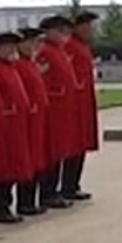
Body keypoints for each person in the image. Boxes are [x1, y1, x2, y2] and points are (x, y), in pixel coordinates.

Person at [0, 31, 36, 225]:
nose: (11, 50)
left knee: (13, 166)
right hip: (5, 124)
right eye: (7, 46)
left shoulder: (9, 67)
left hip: (16, 124)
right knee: (3, 168)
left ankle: (6, 205)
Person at [35, 15, 81, 210]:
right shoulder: (45, 52)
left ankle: (54, 191)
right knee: (51, 153)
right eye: (58, 30)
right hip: (53, 111)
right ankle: (48, 192)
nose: (62, 34)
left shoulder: (58, 51)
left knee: (59, 152)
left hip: (62, 111)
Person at [60, 10, 100, 201]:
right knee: (73, 145)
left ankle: (74, 184)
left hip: (84, 102)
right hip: (75, 104)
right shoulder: (71, 47)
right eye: (86, 26)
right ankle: (67, 185)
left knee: (81, 144)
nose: (90, 30)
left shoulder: (82, 47)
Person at [13, 28, 51, 216]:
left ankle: (30, 199)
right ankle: (24, 201)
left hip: (36, 118)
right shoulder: (19, 65)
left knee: (36, 160)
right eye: (27, 42)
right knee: (27, 161)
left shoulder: (29, 63)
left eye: (33, 42)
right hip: (28, 119)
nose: (31, 46)